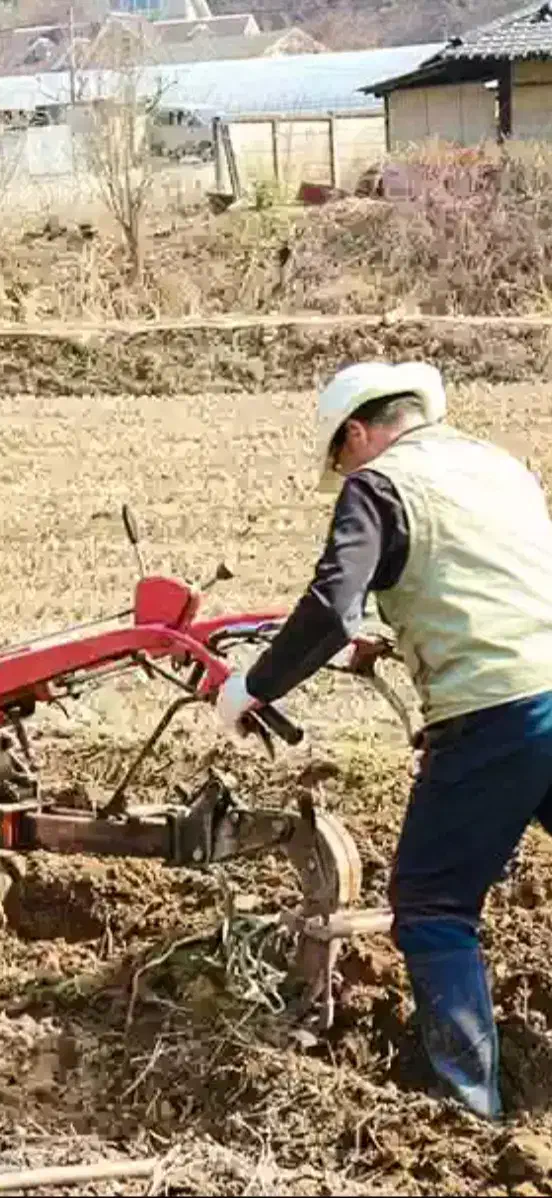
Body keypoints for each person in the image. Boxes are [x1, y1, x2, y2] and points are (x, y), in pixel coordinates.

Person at [215, 361, 552, 1121]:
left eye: (340, 456)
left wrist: (253, 687)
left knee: (432, 903)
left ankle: (469, 1115)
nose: (343, 471)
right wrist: (391, 641)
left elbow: (332, 608)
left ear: (358, 434)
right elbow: (488, 582)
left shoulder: (378, 484)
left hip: (499, 711)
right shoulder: (497, 465)